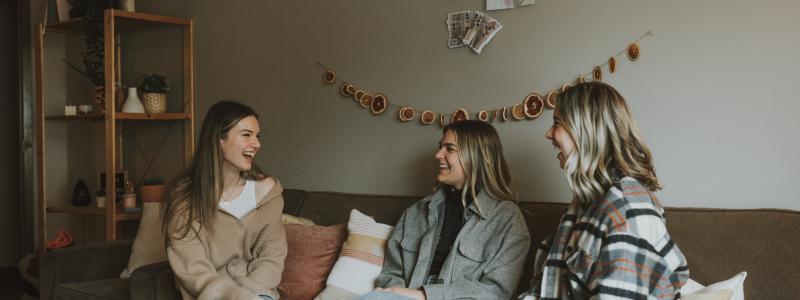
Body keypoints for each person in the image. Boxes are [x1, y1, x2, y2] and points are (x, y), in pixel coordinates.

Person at [522, 82, 689, 299]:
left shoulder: (627, 210)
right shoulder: (586, 202)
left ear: (588, 131)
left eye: (557, 123)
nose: (548, 134)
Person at [368, 120, 531, 300]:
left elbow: (495, 292)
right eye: (440, 147)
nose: (438, 154)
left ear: (475, 156)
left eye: (450, 148)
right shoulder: (415, 213)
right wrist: (396, 294)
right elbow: (390, 275)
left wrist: (423, 295)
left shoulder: (508, 220)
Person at [162, 100, 286, 300]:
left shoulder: (267, 193)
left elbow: (272, 257)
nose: (256, 144)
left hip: (260, 294)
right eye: (246, 135)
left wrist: (251, 296)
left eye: (257, 136)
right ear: (219, 139)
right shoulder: (184, 199)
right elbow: (193, 268)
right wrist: (234, 297)